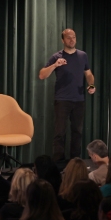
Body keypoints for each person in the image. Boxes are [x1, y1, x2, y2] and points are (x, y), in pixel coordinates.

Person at [39, 28, 96, 161]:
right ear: (63, 40)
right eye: (69, 37)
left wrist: (91, 85)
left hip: (79, 99)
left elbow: (88, 74)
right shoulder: (57, 57)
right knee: (60, 133)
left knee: (77, 132)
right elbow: (42, 75)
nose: (72, 40)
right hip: (62, 100)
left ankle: (75, 162)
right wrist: (55, 65)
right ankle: (59, 163)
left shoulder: (83, 55)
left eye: (74, 37)